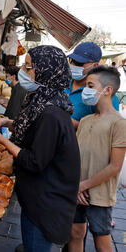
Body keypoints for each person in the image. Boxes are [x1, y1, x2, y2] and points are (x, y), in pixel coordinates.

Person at [0, 46, 81, 251]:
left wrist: (2, 140)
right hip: (37, 193)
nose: (23, 73)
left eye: (28, 68)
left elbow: (34, 161)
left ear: (46, 71)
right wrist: (8, 122)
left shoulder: (51, 114)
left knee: (35, 244)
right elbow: (31, 125)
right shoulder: (43, 100)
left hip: (46, 201)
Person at [68, 66, 126, 252]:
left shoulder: (119, 123)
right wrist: (77, 185)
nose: (86, 90)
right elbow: (76, 156)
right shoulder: (85, 121)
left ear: (108, 90)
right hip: (78, 190)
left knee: (101, 237)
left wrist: (83, 186)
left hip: (100, 195)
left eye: (91, 86)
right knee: (75, 233)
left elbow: (115, 166)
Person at [65, 42, 120, 129]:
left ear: (95, 65)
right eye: (71, 61)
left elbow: (109, 129)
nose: (73, 65)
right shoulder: (62, 83)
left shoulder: (102, 94)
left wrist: (74, 124)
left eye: (79, 63)